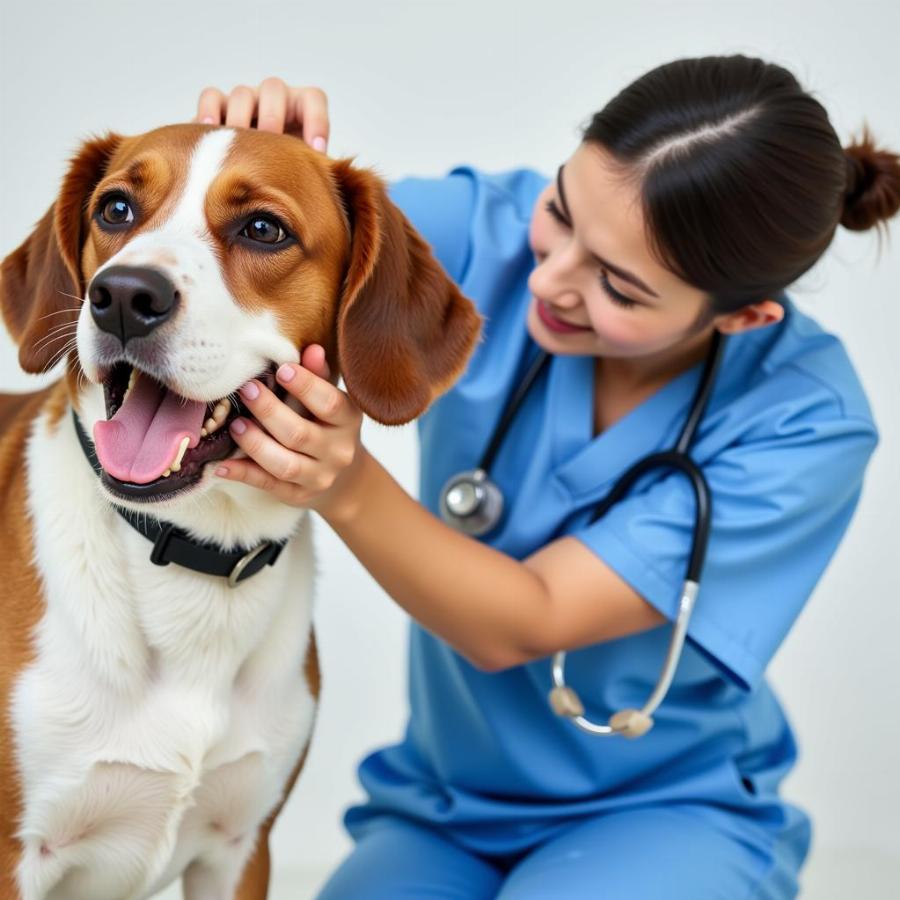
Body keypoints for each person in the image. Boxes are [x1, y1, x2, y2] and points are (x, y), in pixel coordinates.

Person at [194, 56, 897, 898]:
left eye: (620, 287)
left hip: (665, 812)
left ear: (742, 317)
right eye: (559, 211)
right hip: (445, 810)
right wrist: (257, 178)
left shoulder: (805, 419)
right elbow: (250, 277)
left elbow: (528, 620)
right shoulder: (473, 232)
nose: (548, 278)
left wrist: (346, 487)